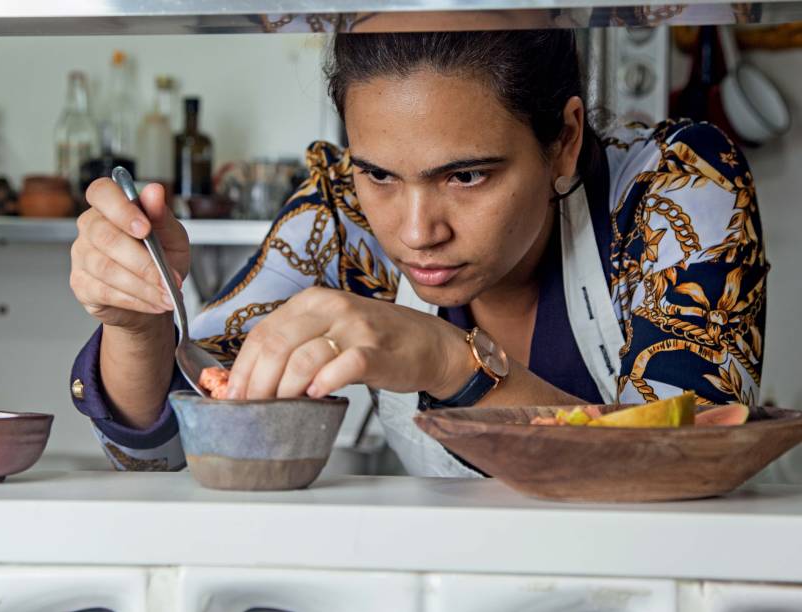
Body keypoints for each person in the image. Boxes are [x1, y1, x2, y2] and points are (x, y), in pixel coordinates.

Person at [68, 30, 768, 475]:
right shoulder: (344, 217)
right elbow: (164, 444)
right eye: (379, 172)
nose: (415, 230)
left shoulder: (673, 193)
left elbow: (686, 465)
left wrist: (450, 363)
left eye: (466, 176)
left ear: (564, 140)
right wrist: (139, 326)